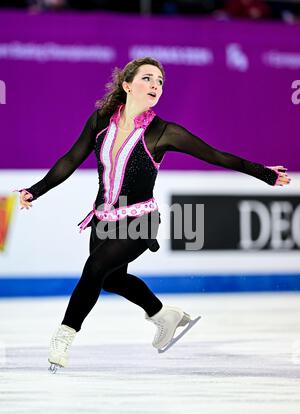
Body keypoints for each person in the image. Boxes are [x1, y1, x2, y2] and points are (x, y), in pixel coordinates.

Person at [15, 57, 290, 371]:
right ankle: (164, 315)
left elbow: (216, 155)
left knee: (93, 269)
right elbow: (69, 159)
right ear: (127, 85)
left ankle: (64, 335)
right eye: (148, 78)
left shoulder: (163, 132)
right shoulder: (100, 121)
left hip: (141, 220)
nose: (156, 86)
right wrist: (34, 190)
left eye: (160, 81)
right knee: (112, 280)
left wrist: (263, 173)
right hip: (104, 219)